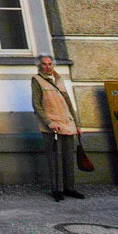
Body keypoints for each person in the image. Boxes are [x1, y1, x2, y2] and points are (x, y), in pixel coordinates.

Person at [33, 54, 85, 202]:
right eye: (44, 64)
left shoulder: (59, 79)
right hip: (52, 125)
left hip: (67, 122)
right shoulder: (37, 80)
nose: (48, 66)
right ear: (39, 66)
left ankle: (70, 187)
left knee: (68, 157)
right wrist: (49, 122)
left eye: (50, 64)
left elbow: (68, 102)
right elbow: (37, 105)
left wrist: (77, 123)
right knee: (55, 158)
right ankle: (57, 189)